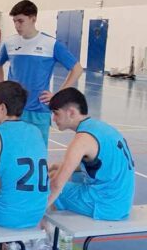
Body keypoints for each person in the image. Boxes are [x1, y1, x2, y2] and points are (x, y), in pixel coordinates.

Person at [0, 81, 49, 250]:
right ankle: (17, 243)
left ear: (2, 107)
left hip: (5, 215)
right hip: (36, 213)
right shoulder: (36, 131)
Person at [0, 0, 83, 144]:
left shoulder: (50, 44)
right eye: (15, 21)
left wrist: (58, 95)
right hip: (13, 110)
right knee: (12, 150)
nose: (17, 25)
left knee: (37, 152)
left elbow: (77, 69)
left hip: (38, 111)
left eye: (21, 21)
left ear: (33, 18)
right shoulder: (9, 43)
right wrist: (2, 87)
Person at [48, 87, 135, 220]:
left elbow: (56, 184)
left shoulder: (82, 140)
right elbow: (100, 164)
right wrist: (56, 165)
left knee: (46, 186)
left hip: (105, 205)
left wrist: (34, 213)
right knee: (56, 173)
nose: (53, 119)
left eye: (56, 113)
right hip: (121, 202)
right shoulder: (100, 128)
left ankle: (45, 233)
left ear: (71, 112)